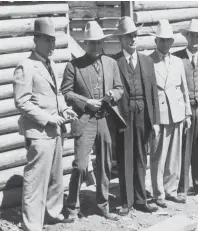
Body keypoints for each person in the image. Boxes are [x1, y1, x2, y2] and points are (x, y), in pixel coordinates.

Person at [13, 17, 77, 231]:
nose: (52, 45)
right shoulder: (26, 66)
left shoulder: (50, 63)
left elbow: (57, 93)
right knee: (36, 179)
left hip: (56, 130)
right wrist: (48, 118)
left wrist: (64, 109)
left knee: (55, 176)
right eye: (48, 40)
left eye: (53, 40)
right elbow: (22, 102)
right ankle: (32, 224)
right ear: (36, 40)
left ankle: (52, 213)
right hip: (39, 132)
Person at [61, 21, 125, 220]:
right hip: (84, 120)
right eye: (92, 43)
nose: (96, 47)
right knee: (80, 165)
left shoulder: (111, 63)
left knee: (105, 164)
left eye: (99, 43)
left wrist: (111, 95)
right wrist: (85, 102)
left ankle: (102, 204)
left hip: (105, 119)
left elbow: (119, 88)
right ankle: (72, 207)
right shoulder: (73, 65)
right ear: (85, 44)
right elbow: (66, 92)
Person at [111, 17, 160, 215]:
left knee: (141, 157)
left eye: (134, 35)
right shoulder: (114, 62)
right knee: (124, 158)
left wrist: (155, 121)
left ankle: (141, 200)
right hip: (123, 115)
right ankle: (127, 201)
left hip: (143, 114)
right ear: (121, 39)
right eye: (128, 36)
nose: (132, 39)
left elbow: (154, 93)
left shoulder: (147, 61)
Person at [149, 19, 192, 208]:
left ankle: (171, 190)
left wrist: (188, 113)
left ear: (172, 42)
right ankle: (158, 193)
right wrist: (152, 119)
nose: (165, 43)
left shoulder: (177, 62)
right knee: (159, 156)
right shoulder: (149, 61)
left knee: (175, 156)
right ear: (156, 41)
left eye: (168, 40)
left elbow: (184, 89)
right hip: (160, 115)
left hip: (177, 113)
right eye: (162, 40)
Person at [173, 19, 198, 201]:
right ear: (187, 37)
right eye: (192, 35)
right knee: (184, 147)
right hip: (185, 109)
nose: (195, 38)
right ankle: (182, 186)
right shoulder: (177, 58)